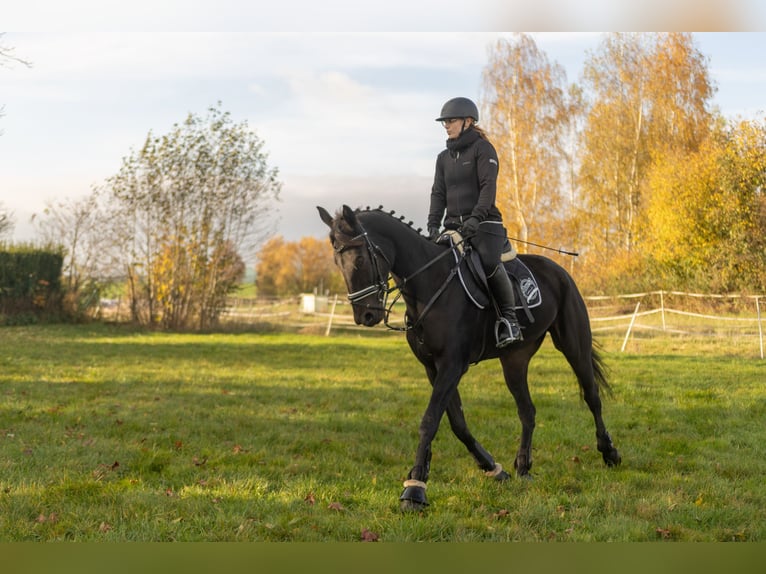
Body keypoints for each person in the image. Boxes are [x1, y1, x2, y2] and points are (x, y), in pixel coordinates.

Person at [427, 96, 522, 347]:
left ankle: (510, 321)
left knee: (488, 262)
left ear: (468, 122)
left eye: (451, 121)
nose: (446, 126)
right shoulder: (442, 158)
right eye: (444, 122)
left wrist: (476, 218)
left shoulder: (483, 150)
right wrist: (433, 224)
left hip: (485, 224)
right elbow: (438, 193)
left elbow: (488, 188)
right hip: (453, 226)